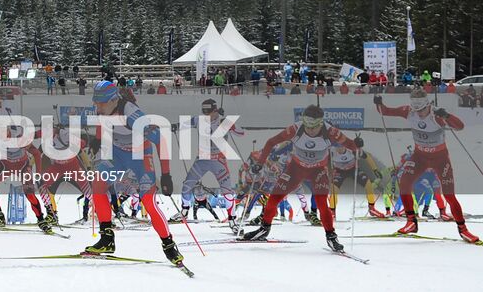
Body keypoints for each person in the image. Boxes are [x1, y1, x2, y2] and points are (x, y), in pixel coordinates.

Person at [79, 80, 183, 266]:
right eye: (96, 102)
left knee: (148, 201)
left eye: (100, 103)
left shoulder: (133, 115)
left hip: (140, 157)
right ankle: (107, 240)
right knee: (98, 186)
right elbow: (102, 122)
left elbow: (160, 140)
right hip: (117, 154)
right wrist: (96, 140)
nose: (97, 106)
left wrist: (166, 174)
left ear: (113, 100)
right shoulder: (103, 108)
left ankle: (169, 245)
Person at [239, 104, 361, 250]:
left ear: (320, 123)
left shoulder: (331, 132)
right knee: (274, 198)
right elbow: (271, 142)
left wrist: (357, 144)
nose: (309, 129)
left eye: (313, 127)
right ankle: (264, 229)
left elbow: (350, 145)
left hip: (318, 171)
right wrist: (260, 163)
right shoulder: (295, 129)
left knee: (322, 203)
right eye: (307, 125)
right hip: (295, 169)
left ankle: (331, 236)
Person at [374, 87, 476, 241]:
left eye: (422, 110)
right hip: (419, 157)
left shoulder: (436, 115)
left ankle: (463, 229)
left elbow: (460, 126)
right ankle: (411, 222)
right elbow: (385, 111)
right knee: (404, 184)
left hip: (440, 159)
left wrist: (447, 115)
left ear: (427, 105)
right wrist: (378, 102)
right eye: (417, 110)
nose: (419, 113)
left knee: (449, 195)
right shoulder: (409, 111)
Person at [180, 99, 243, 216]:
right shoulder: (199, 120)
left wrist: (231, 125)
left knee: (227, 192)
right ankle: (184, 211)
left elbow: (241, 133)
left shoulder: (223, 122)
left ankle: (232, 218)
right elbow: (182, 124)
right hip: (202, 160)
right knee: (186, 186)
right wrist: (172, 127)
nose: (206, 116)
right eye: (204, 113)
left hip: (218, 161)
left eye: (208, 113)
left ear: (215, 110)